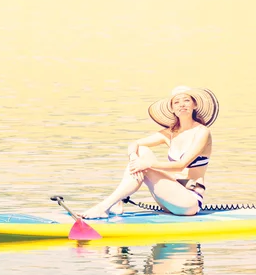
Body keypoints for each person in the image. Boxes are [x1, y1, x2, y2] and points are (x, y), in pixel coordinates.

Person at [83, 85, 219, 218]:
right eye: (176, 102)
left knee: (144, 164)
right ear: (172, 108)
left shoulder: (202, 132)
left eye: (186, 100)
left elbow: (181, 165)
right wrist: (133, 157)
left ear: (194, 105)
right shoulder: (170, 133)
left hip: (189, 200)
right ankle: (115, 203)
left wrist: (147, 164)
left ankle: (105, 206)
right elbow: (134, 143)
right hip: (168, 196)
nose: (181, 104)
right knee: (141, 150)